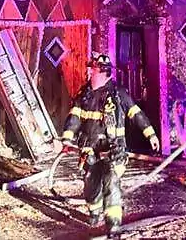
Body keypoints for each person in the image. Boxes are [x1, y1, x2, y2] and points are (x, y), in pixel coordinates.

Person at [61, 52, 160, 234]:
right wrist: (67, 138)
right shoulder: (85, 94)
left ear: (103, 73)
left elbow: (136, 114)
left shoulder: (118, 94)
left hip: (113, 150)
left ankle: (113, 224)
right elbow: (74, 117)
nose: (89, 73)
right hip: (89, 149)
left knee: (111, 182)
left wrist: (151, 135)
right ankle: (95, 212)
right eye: (90, 70)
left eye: (93, 70)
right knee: (91, 183)